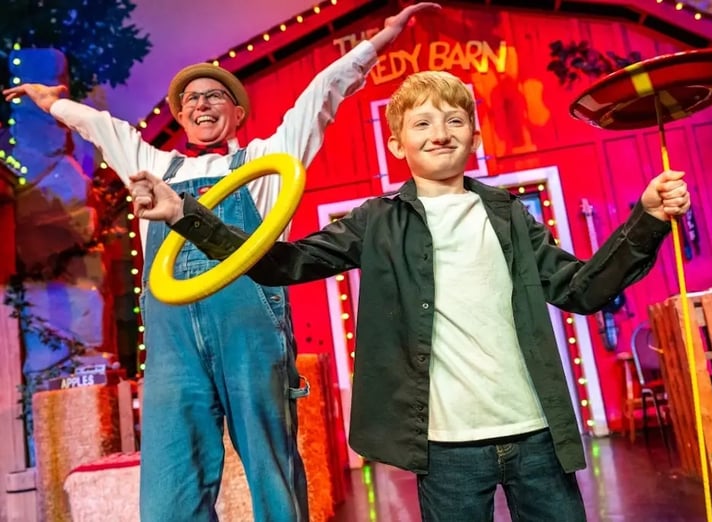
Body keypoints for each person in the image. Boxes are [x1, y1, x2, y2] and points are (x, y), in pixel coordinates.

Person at [128, 70, 691, 522]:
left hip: (536, 437)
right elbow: (280, 263)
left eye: (454, 120)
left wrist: (645, 219)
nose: (439, 132)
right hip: (445, 450)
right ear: (397, 143)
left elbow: (582, 290)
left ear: (474, 137)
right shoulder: (374, 221)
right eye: (422, 122)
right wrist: (183, 214)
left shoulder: (509, 216)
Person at [3, 4, 440, 521]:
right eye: (190, 99)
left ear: (236, 113)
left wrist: (379, 39)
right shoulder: (153, 165)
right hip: (173, 345)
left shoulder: (265, 161)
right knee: (170, 482)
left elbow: (321, 94)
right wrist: (53, 104)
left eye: (214, 95)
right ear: (181, 117)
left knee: (271, 467)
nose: (201, 103)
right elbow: (101, 126)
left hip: (247, 328)